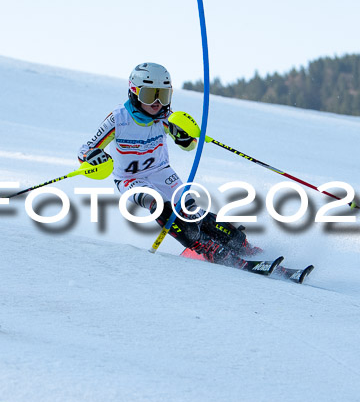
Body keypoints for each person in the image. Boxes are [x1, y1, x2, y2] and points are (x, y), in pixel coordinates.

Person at [77, 62, 258, 264]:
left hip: (161, 172)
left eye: (163, 95)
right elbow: (85, 149)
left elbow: (190, 145)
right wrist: (92, 157)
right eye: (149, 95)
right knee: (159, 205)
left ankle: (240, 244)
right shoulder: (119, 119)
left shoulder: (166, 117)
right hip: (130, 179)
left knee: (190, 209)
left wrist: (185, 139)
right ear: (134, 93)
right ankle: (207, 248)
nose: (157, 102)